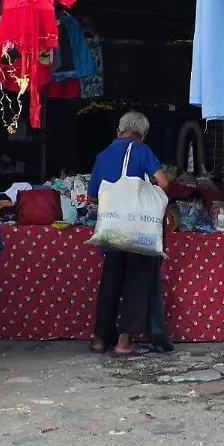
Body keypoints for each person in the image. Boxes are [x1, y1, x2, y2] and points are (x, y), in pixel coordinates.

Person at [87, 111, 170, 357]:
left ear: (118, 130)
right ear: (142, 135)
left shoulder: (103, 155)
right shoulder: (142, 150)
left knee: (110, 284)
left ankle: (100, 339)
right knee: (136, 283)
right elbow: (163, 183)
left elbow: (92, 196)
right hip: (138, 232)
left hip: (112, 231)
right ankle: (124, 342)